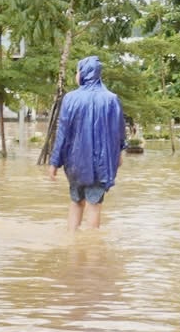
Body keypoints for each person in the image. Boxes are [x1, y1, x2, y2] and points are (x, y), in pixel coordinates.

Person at [46, 54, 126, 229]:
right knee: (94, 205)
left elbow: (62, 133)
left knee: (76, 202)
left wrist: (54, 163)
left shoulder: (70, 98)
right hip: (101, 163)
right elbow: (119, 132)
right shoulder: (111, 99)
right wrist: (119, 154)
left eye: (77, 71)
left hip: (75, 162)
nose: (76, 75)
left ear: (84, 73)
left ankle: (72, 242)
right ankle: (92, 250)